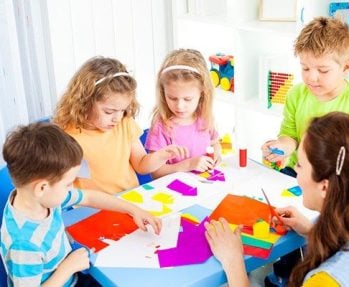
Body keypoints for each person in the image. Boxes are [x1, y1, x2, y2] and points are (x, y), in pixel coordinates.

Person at [205, 112, 349, 287]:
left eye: (299, 164)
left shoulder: (326, 281)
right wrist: (310, 230)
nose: (296, 170)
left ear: (325, 187)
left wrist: (233, 261)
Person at [0, 122, 162, 286]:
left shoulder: (40, 199)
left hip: (73, 269)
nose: (71, 188)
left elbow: (88, 197)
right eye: (68, 183)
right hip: (68, 276)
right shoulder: (23, 245)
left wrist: (133, 210)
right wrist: (68, 268)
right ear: (42, 187)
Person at [261, 17, 349, 178]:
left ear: (345, 67)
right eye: (305, 68)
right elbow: (290, 134)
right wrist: (282, 146)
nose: (311, 77)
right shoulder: (296, 94)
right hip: (298, 172)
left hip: (338, 178)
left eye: (323, 70)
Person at [53, 56, 188, 194]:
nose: (117, 118)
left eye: (123, 110)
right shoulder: (66, 136)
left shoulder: (125, 123)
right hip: (92, 206)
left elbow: (141, 164)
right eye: (109, 111)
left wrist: (162, 155)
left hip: (129, 198)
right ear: (84, 102)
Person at [145, 48, 220, 178]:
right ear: (163, 93)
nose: (180, 106)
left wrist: (217, 154)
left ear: (202, 92)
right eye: (172, 98)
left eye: (188, 99)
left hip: (204, 184)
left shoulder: (204, 116)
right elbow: (156, 173)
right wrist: (187, 165)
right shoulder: (161, 126)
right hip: (175, 191)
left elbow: (214, 142)